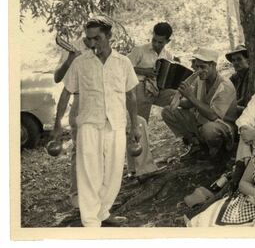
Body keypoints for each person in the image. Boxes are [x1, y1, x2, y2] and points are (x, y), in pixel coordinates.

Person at [52, 16, 141, 227]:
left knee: (113, 173)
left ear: (109, 36)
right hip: (89, 125)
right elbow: (66, 94)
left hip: (116, 124)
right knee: (89, 173)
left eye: (97, 38)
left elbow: (131, 96)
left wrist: (135, 125)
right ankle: (91, 223)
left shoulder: (123, 62)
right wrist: (57, 125)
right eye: (88, 39)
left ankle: (103, 212)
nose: (92, 44)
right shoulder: (80, 62)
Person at [161, 47, 238, 161]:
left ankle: (217, 150)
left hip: (222, 125)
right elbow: (190, 104)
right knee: (168, 111)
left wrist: (190, 96)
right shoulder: (200, 80)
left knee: (209, 129)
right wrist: (175, 99)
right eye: (197, 66)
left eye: (203, 67)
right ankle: (195, 144)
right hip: (201, 121)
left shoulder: (225, 85)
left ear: (213, 65)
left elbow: (213, 116)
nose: (199, 70)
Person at [126, 22, 176, 178]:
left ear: (167, 41)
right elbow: (125, 67)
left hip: (157, 89)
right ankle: (137, 169)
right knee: (139, 124)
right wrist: (145, 71)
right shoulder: (139, 50)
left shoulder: (168, 55)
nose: (156, 43)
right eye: (154, 39)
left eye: (160, 41)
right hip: (139, 87)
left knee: (178, 98)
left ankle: (191, 140)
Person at [51, 35, 91, 208]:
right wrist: (69, 60)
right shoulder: (73, 46)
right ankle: (76, 195)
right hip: (80, 101)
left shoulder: (104, 46)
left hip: (101, 101)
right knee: (80, 150)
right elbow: (57, 78)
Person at [225, 44, 250, 114]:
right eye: (233, 60)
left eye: (239, 59)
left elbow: (244, 99)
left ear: (247, 60)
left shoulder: (251, 76)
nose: (235, 63)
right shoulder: (234, 77)